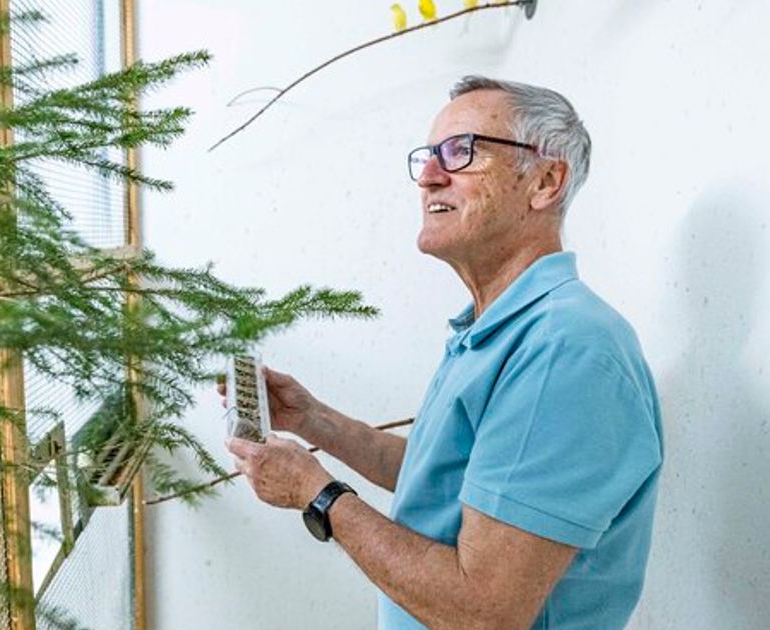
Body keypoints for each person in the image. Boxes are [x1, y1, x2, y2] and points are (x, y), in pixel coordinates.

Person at [224, 76, 663, 630]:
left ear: (546, 181)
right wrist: (315, 420)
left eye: (462, 151)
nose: (430, 176)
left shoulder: (564, 351)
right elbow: (452, 488)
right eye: (429, 155)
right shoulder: (495, 328)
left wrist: (318, 495)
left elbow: (483, 611)